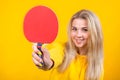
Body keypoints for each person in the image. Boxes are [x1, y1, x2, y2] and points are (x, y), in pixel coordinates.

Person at [32, 9, 104, 80]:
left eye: (85, 30)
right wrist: (47, 63)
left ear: (94, 32)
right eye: (74, 29)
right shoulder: (61, 48)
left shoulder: (96, 66)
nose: (78, 35)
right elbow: (54, 56)